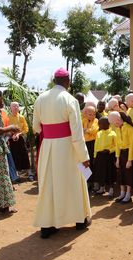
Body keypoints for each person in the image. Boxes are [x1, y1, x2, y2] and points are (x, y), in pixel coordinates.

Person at [33, 68, 91, 239]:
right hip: (67, 147)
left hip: (48, 147)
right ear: (68, 81)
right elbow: (77, 133)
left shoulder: (40, 98)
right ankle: (80, 221)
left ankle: (47, 225)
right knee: (74, 182)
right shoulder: (70, 99)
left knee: (49, 185)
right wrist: (84, 157)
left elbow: (36, 127)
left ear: (54, 80)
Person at [108, 111, 133, 204]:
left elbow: (132, 145)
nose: (114, 124)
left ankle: (128, 195)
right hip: (120, 154)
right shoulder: (117, 129)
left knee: (128, 174)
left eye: (115, 122)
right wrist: (117, 158)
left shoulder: (129, 128)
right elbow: (117, 145)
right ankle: (122, 193)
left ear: (119, 119)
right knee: (120, 174)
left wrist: (130, 160)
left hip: (128, 153)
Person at [8, 102, 34, 181]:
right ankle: (16, 175)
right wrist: (12, 135)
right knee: (14, 155)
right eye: (14, 106)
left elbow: (26, 129)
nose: (16, 107)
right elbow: (6, 128)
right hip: (11, 139)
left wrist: (19, 134)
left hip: (21, 139)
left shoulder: (21, 117)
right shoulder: (8, 117)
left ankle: (29, 173)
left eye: (17, 106)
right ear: (10, 108)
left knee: (24, 154)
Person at [93, 117, 117, 196]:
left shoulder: (113, 133)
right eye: (99, 123)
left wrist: (109, 150)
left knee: (110, 172)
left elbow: (116, 146)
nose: (99, 125)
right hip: (100, 156)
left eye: (101, 123)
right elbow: (96, 145)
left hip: (108, 156)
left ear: (108, 124)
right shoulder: (99, 133)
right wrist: (95, 156)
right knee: (100, 172)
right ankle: (102, 188)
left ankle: (111, 189)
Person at [82, 105, 99, 191]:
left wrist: (86, 130)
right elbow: (80, 129)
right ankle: (88, 182)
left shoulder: (96, 120)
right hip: (84, 143)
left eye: (94, 114)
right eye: (90, 114)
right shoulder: (83, 120)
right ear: (85, 114)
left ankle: (95, 182)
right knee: (85, 163)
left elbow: (94, 130)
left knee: (93, 162)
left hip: (93, 144)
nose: (92, 116)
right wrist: (87, 130)